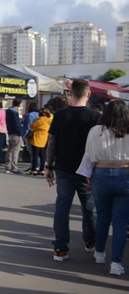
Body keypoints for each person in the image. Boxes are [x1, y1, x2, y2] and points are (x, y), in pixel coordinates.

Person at [44, 79, 101, 261]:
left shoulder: (60, 115)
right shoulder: (95, 116)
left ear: (70, 93)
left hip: (62, 168)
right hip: (87, 170)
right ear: (89, 94)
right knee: (89, 207)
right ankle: (91, 241)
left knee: (62, 206)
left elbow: (51, 141)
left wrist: (48, 165)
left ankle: (60, 248)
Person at [77, 100, 129, 276]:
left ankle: (99, 253)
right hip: (125, 175)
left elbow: (88, 155)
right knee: (121, 222)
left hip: (101, 173)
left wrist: (89, 176)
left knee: (102, 216)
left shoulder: (96, 131)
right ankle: (116, 263)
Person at [28, 107, 52, 175]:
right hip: (45, 140)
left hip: (36, 140)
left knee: (35, 155)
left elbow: (32, 126)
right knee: (42, 156)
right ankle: (42, 169)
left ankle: (34, 169)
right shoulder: (49, 120)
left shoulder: (38, 120)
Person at [5, 98, 24, 175]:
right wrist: (20, 132)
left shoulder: (8, 111)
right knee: (15, 150)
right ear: (19, 104)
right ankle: (14, 167)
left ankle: (8, 167)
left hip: (10, 132)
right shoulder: (15, 112)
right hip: (16, 133)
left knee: (9, 150)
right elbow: (17, 124)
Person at [22, 102, 40, 173]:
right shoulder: (39, 115)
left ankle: (35, 165)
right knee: (37, 152)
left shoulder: (30, 115)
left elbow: (28, 126)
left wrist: (25, 135)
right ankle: (37, 165)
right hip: (39, 135)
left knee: (31, 151)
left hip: (31, 135)